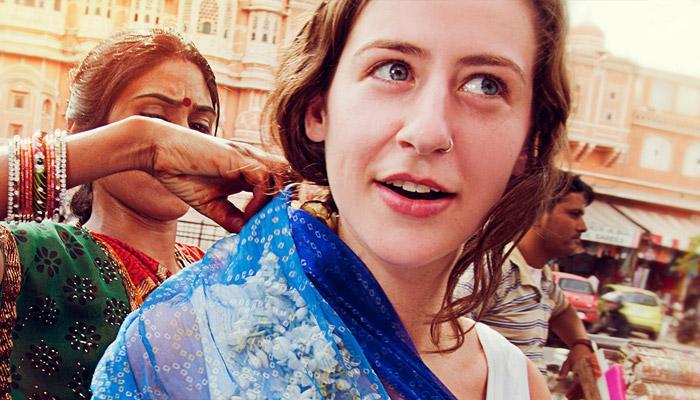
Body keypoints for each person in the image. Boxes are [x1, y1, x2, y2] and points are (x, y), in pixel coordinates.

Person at [92, 0, 572, 398]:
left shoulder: (516, 384)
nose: (428, 132)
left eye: (486, 84)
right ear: (319, 109)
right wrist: (134, 143)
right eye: (394, 69)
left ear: (527, 144)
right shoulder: (191, 340)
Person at [0, 29, 278, 398]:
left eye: (198, 128)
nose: (182, 143)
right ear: (86, 133)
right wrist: (143, 144)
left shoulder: (222, 276)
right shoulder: (32, 256)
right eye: (154, 119)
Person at [457, 174, 595, 381]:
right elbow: (446, 339)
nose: (583, 227)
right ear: (537, 214)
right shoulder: (493, 271)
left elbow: (564, 311)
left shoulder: (543, 278)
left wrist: (580, 344)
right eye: (574, 214)